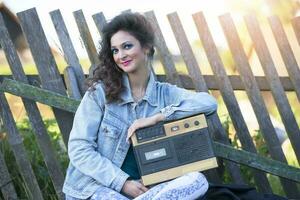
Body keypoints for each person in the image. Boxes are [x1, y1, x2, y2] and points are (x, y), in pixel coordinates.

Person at [63, 12, 218, 200]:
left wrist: (158, 117)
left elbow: (208, 103)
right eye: (115, 50)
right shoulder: (100, 93)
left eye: (127, 46)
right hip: (94, 189)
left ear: (146, 47)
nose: (121, 56)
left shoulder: (165, 94)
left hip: (146, 192)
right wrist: (122, 183)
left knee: (197, 180)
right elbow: (79, 148)